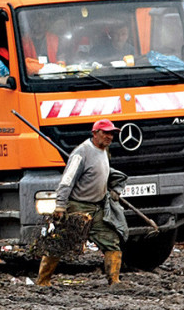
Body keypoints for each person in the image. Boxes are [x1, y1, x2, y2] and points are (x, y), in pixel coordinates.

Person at [36, 119, 126, 286]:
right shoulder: (81, 153)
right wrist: (61, 205)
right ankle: (43, 281)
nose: (109, 137)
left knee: (111, 240)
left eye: (111, 133)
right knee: (61, 242)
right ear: (95, 133)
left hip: (97, 207)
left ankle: (114, 281)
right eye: (105, 133)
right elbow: (67, 180)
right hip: (78, 207)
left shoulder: (104, 152)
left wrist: (113, 190)